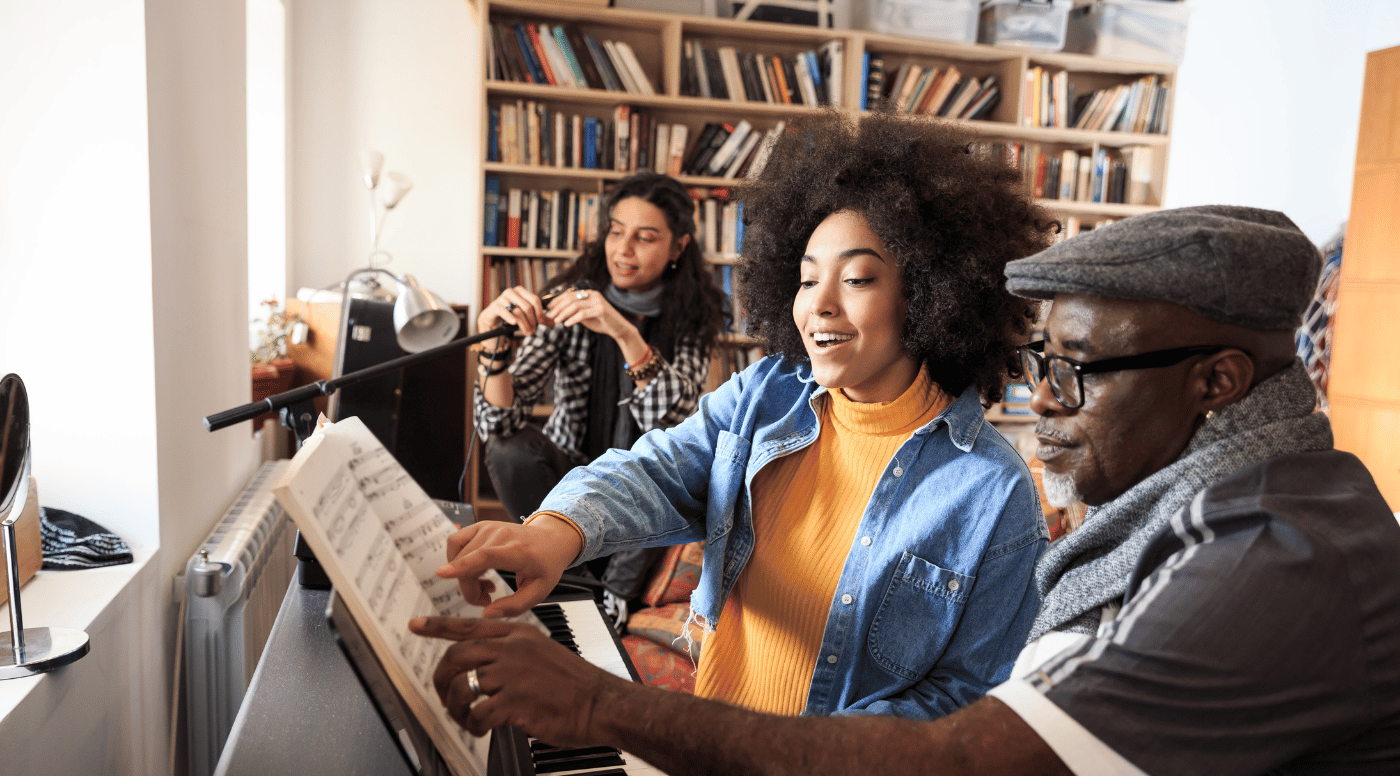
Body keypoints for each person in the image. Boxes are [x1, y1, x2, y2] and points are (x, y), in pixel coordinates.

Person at [413, 205, 1400, 774]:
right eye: (1040, 362)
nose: (1045, 403)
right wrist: (557, 524)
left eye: (1076, 369)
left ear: (1216, 379)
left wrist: (602, 709)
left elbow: (970, 750)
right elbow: (667, 465)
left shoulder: (1275, 557)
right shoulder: (1204, 513)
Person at [437, 111, 1055, 720]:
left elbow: (969, 702)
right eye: (807, 280)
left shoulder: (993, 492)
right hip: (710, 744)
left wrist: (766, 753)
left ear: (929, 294)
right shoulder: (769, 391)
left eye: (858, 279)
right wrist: (552, 533)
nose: (821, 307)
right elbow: (659, 468)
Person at [473, 172, 727, 610]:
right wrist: (492, 349)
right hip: (568, 474)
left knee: (666, 476)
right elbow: (498, 421)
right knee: (507, 448)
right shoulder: (568, 300)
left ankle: (605, 591)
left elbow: (673, 422)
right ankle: (579, 585)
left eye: (645, 237)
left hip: (646, 485)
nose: (623, 250)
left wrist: (624, 332)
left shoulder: (693, 317)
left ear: (678, 246)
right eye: (615, 232)